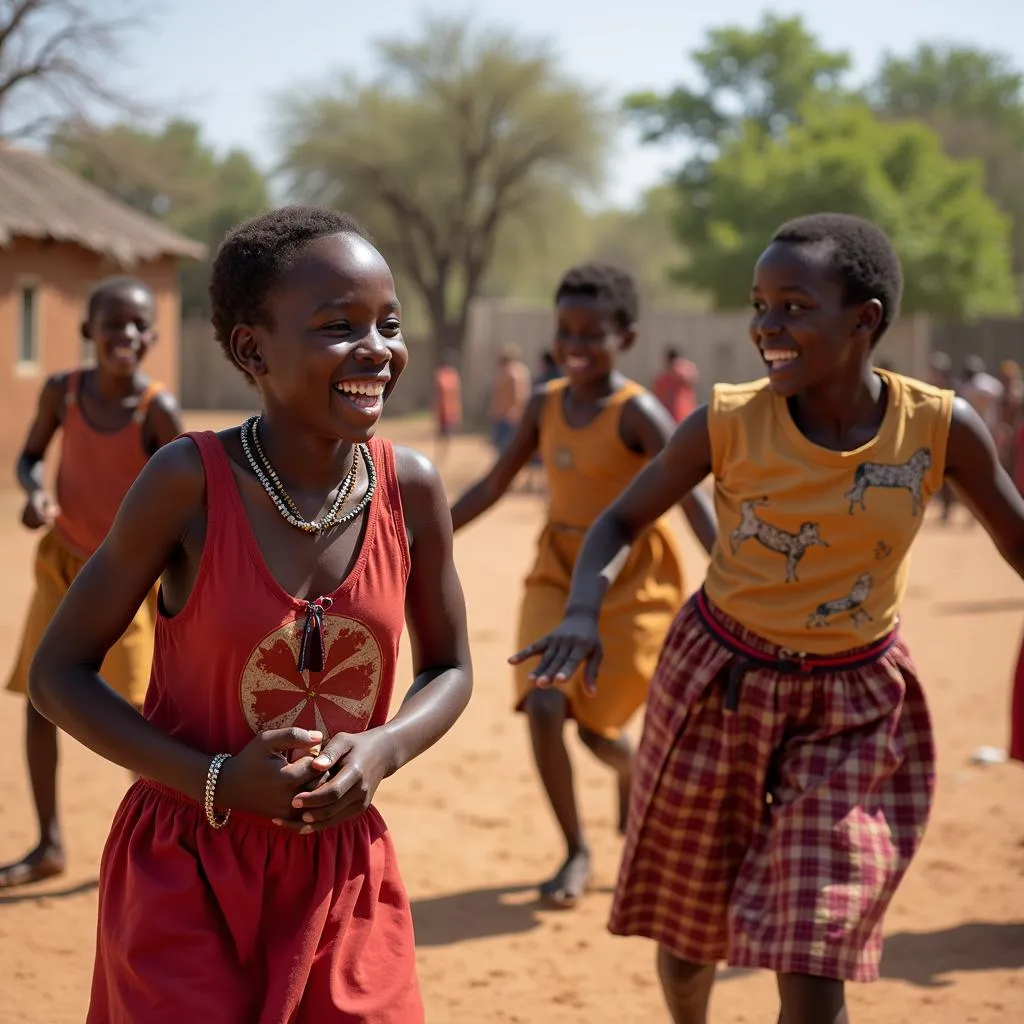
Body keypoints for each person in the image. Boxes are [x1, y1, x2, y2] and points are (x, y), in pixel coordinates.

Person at [512, 213, 1024, 1023]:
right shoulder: (726, 420)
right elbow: (618, 520)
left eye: (792, 306)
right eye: (759, 305)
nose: (765, 326)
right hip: (721, 681)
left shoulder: (938, 427)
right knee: (689, 943)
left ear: (866, 320)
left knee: (812, 957)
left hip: (852, 706)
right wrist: (581, 611)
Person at [29, 206, 472, 1022]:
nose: (376, 349)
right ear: (251, 350)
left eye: (389, 323)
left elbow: (450, 667)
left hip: (342, 871)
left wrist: (380, 750)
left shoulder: (410, 487)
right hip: (186, 864)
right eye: (339, 327)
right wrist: (220, 780)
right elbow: (57, 675)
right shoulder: (187, 482)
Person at [451, 262, 717, 909]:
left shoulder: (640, 414)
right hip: (557, 567)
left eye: (592, 334)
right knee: (544, 703)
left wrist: (734, 572)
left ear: (625, 337)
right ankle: (576, 848)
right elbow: (492, 484)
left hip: (634, 579)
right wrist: (416, 540)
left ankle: (627, 773)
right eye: (565, 330)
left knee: (599, 732)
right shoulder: (544, 404)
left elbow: (689, 500)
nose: (574, 345)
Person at [0, 275, 182, 890]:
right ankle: (49, 842)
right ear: (87, 332)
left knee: (136, 711)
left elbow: (188, 496)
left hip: (129, 578)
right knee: (38, 694)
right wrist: (34, 493)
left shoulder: (157, 410)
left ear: (151, 337)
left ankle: (159, 852)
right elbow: (28, 459)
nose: (123, 335)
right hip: (63, 563)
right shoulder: (64, 394)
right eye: (111, 323)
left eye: (136, 325)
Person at [489, 343, 530, 455]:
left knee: (504, 447)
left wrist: (513, 411)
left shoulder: (511, 373)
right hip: (506, 415)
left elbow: (519, 395)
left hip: (507, 416)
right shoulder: (521, 371)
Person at [652, 346, 698, 423]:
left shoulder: (684, 373)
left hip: (684, 415)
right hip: (667, 417)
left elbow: (692, 381)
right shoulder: (662, 379)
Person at [434, 348, 463, 465]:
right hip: (448, 408)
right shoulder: (452, 375)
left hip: (446, 408)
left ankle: (443, 453)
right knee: (444, 433)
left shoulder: (442, 375)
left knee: (444, 433)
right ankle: (443, 453)